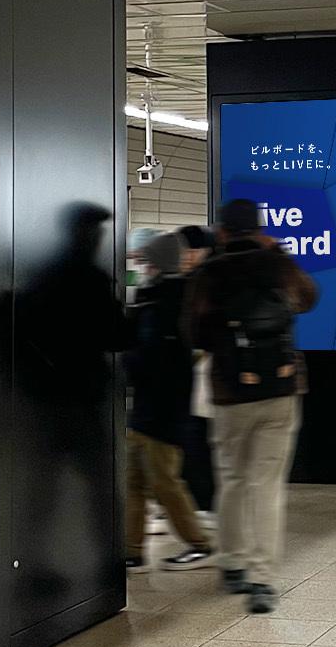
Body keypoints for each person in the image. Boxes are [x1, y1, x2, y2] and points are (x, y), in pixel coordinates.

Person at [184, 198, 317, 614]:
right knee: (267, 485)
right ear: (260, 229)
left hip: (229, 394)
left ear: (223, 231)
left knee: (232, 477)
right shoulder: (277, 265)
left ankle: (232, 562)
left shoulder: (209, 273)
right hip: (279, 389)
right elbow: (308, 298)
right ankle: (261, 579)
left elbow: (193, 334)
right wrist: (277, 253)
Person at [125, 232, 213, 572]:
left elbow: (156, 357)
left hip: (163, 409)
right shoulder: (156, 298)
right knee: (134, 480)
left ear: (156, 263)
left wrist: (128, 361)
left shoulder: (168, 302)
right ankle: (131, 550)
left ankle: (199, 544)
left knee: (165, 483)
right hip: (149, 407)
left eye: (143, 260)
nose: (139, 266)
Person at [176, 224, 219, 517]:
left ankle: (206, 504)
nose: (187, 256)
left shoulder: (208, 279)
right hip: (191, 377)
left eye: (192, 249)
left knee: (201, 439)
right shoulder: (187, 281)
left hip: (208, 375)